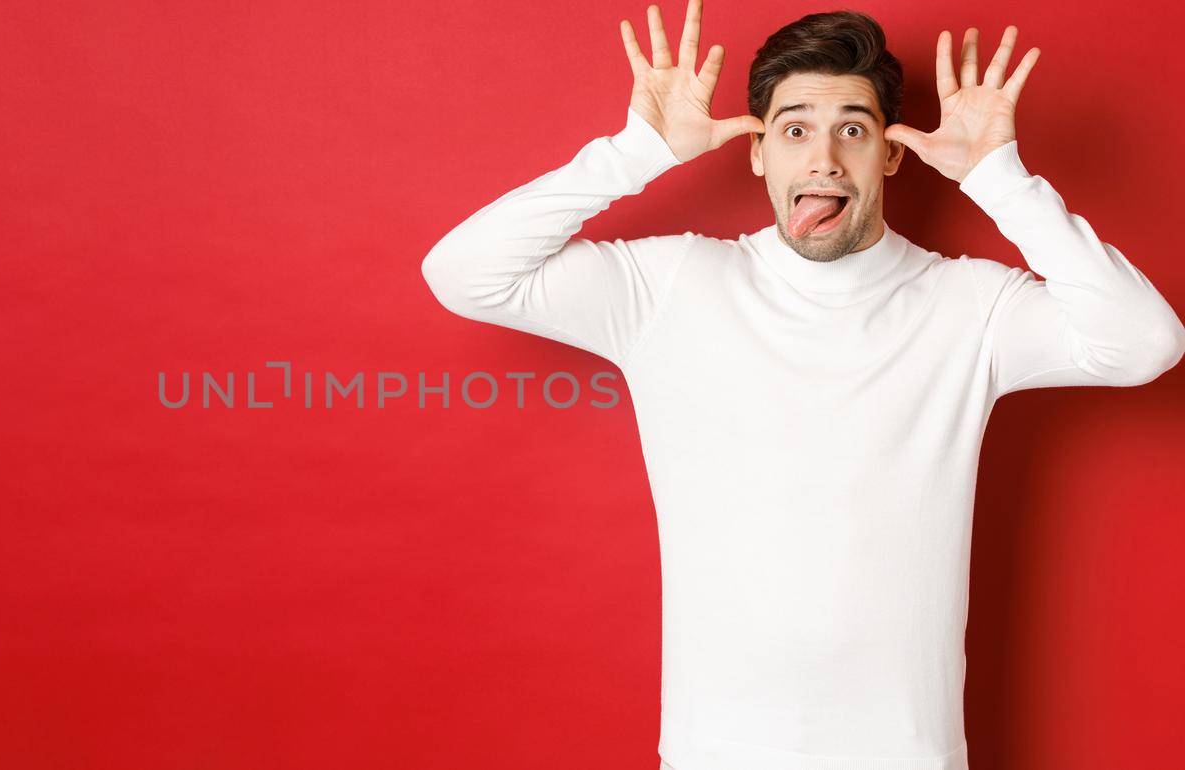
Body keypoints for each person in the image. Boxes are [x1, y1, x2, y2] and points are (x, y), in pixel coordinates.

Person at [419, 3, 1185, 769]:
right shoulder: (670, 287)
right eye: (793, 130)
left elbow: (1144, 345)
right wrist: (632, 154)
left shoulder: (969, 306)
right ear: (758, 156)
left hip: (908, 755)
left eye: (852, 129)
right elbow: (464, 274)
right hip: (714, 751)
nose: (823, 160)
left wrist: (1001, 181)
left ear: (890, 154)